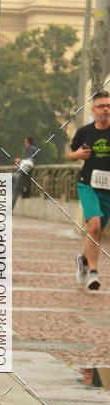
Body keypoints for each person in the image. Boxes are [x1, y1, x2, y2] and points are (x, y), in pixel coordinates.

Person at [69, 90, 110, 290]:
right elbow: (70, 154)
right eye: (102, 106)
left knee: (96, 232)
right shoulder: (85, 132)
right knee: (93, 226)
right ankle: (93, 272)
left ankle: (83, 261)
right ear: (94, 110)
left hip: (108, 190)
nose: (106, 110)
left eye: (109, 106)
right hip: (88, 185)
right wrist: (76, 154)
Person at [12, 136, 38, 209]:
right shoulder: (31, 148)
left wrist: (20, 161)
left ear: (27, 142)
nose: (25, 143)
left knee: (15, 191)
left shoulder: (31, 149)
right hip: (23, 174)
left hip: (23, 174)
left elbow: (30, 162)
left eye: (25, 142)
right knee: (14, 189)